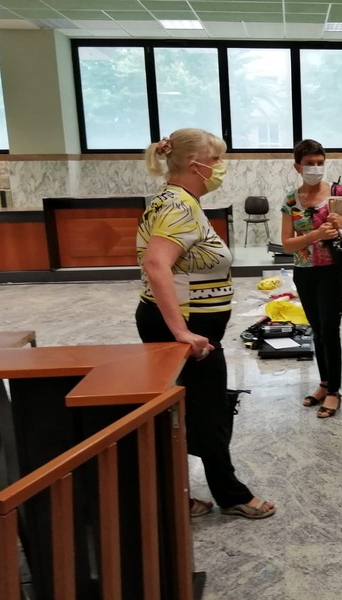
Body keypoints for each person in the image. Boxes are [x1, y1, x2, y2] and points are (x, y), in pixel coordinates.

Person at [135, 128, 275, 519]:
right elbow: (156, 264)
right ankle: (231, 495)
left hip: (186, 325)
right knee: (208, 411)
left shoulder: (176, 200)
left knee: (188, 410)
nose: (220, 167)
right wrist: (181, 331)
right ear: (196, 165)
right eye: (216, 160)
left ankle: (176, 496)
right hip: (186, 330)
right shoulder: (179, 205)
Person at [281, 139, 342, 418]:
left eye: (320, 163)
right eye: (309, 163)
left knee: (330, 329)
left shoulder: (337, 193)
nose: (315, 168)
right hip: (304, 271)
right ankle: (324, 383)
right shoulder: (291, 200)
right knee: (317, 329)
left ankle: (334, 391)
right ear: (297, 166)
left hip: (331, 270)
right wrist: (315, 235)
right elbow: (287, 244)